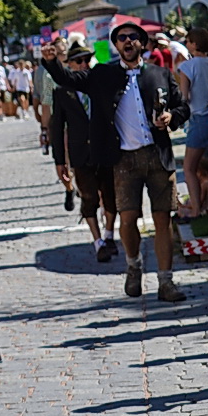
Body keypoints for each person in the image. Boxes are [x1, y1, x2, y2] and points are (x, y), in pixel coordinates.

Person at [42, 21, 189, 302]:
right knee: (128, 219)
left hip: (158, 156)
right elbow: (68, 79)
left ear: (142, 43)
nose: (127, 41)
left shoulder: (159, 74)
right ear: (116, 45)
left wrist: (172, 117)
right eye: (121, 38)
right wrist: (51, 62)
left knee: (163, 220)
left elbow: (182, 106)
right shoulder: (103, 74)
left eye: (133, 37)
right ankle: (134, 266)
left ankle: (166, 281)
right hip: (123, 160)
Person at [49, 39, 117, 259]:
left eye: (87, 59)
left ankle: (109, 235)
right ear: (69, 64)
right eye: (78, 61)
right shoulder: (62, 92)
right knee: (89, 198)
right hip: (80, 153)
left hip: (104, 149)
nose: (83, 64)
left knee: (111, 196)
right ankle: (98, 242)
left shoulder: (99, 84)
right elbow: (57, 128)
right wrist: (60, 161)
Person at [176, 27, 208, 216]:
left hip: (199, 117)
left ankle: (196, 208)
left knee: (189, 168)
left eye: (188, 41)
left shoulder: (187, 67)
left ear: (194, 44)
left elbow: (184, 96)